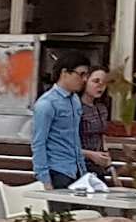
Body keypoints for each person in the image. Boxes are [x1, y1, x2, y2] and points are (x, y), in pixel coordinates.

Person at [30, 58, 91, 190]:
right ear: (64, 73)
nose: (84, 79)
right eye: (81, 74)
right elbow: (38, 142)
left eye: (86, 75)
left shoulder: (75, 100)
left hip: (77, 170)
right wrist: (44, 179)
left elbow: (75, 137)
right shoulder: (47, 103)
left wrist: (83, 171)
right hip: (57, 170)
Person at [78, 66, 116, 174]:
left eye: (104, 82)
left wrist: (109, 164)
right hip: (79, 162)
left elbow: (102, 137)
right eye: (96, 81)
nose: (100, 86)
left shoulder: (101, 108)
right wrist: (90, 154)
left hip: (98, 164)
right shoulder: (75, 107)